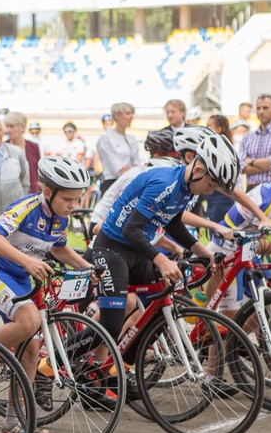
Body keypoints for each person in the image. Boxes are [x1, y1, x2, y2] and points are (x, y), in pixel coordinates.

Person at [91, 134, 239, 373]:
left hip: (136, 250)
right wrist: (160, 259)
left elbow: (172, 223)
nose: (211, 192)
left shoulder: (186, 188)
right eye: (212, 185)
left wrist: (202, 253)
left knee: (161, 308)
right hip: (112, 248)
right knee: (110, 325)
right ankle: (51, 364)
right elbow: (131, 228)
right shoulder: (165, 183)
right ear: (199, 169)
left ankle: (116, 371)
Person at [0, 157, 95, 433]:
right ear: (47, 192)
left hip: (18, 277)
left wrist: (89, 268)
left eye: (77, 199)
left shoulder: (61, 218)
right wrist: (28, 262)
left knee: (31, 347)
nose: (73, 205)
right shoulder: (26, 207)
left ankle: (13, 424)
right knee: (29, 320)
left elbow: (60, 250)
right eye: (68, 199)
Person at [204, 148, 271, 318]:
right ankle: (230, 342)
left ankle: (240, 343)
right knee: (228, 320)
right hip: (226, 253)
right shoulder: (268, 202)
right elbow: (254, 245)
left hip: (243, 254)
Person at [239, 94, 271, 189]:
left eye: (265, 108)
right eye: (258, 108)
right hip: (251, 190)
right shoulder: (248, 137)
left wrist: (250, 161)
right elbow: (240, 165)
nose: (261, 111)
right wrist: (267, 163)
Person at [95, 102, 140, 195]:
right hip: (112, 184)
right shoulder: (106, 138)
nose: (131, 117)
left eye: (132, 113)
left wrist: (132, 168)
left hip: (130, 183)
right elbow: (118, 169)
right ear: (117, 116)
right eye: (128, 113)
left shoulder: (131, 138)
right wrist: (133, 168)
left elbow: (137, 164)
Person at [205, 116, 236, 222]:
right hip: (213, 195)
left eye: (209, 126)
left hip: (221, 197)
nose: (206, 129)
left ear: (219, 129)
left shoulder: (223, 150)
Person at [4, 111, 40, 193]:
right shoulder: (3, 147)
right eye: (7, 126)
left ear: (22, 127)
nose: (8, 130)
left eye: (11, 126)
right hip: (11, 195)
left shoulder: (33, 147)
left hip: (31, 195)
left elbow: (38, 172)